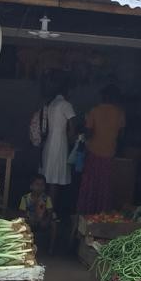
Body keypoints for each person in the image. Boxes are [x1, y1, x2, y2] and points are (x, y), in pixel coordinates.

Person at [77, 83, 126, 215]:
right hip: (109, 155)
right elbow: (122, 135)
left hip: (93, 153)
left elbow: (88, 132)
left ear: (103, 97)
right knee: (104, 188)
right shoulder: (119, 113)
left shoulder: (94, 111)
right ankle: (102, 215)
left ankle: (86, 214)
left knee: (90, 186)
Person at [41, 77, 76, 202]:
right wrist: (74, 142)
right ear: (68, 91)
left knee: (49, 177)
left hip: (50, 142)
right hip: (60, 143)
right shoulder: (66, 105)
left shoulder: (52, 104)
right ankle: (50, 210)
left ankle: (43, 208)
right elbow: (72, 127)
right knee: (55, 179)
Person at [19, 172, 57, 253]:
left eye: (42, 185)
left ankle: (51, 248)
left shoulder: (46, 198)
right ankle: (24, 246)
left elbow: (50, 212)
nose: (40, 187)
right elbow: (22, 212)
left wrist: (46, 221)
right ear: (31, 186)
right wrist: (28, 220)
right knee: (20, 222)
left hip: (42, 220)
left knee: (54, 223)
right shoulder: (25, 198)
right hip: (30, 219)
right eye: (37, 184)